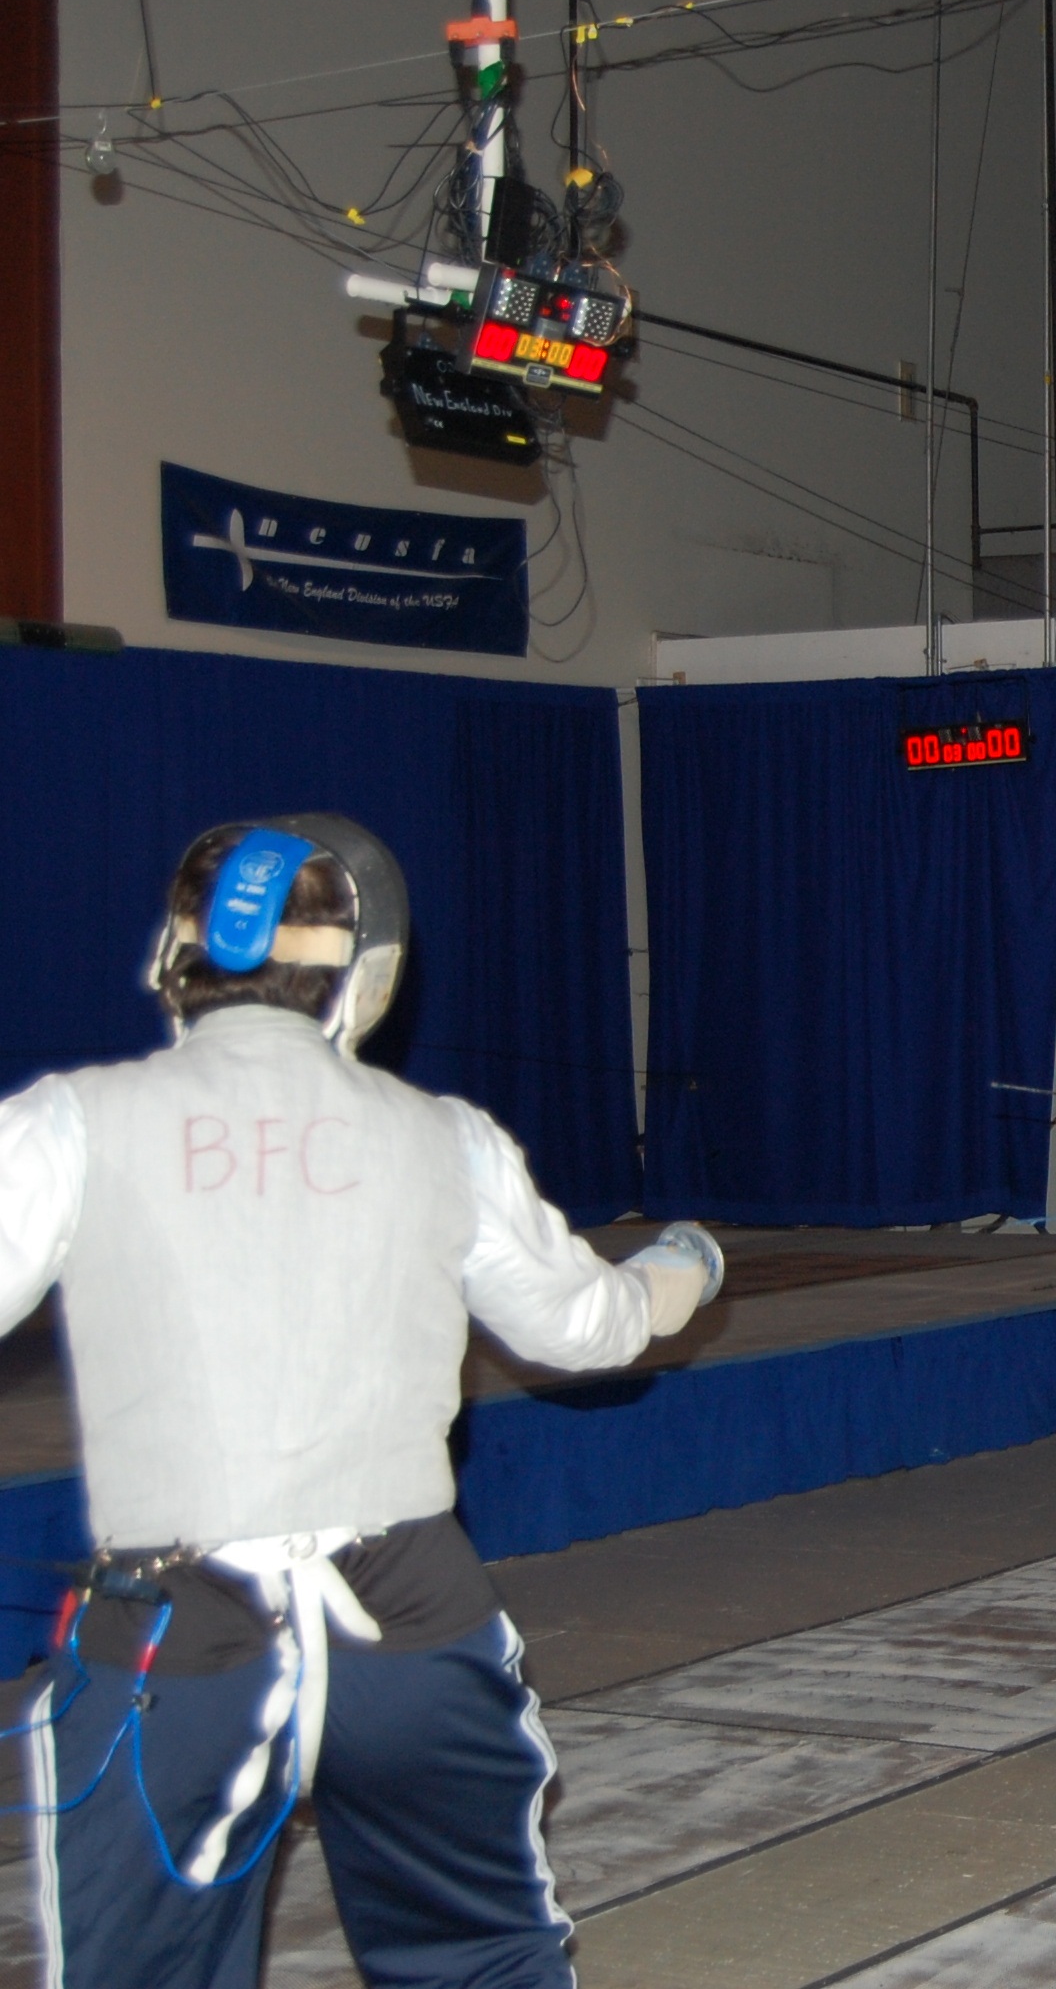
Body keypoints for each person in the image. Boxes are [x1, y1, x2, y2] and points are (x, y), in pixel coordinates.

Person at [0, 815, 723, 1989]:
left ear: (176, 959)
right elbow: (589, 1326)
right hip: (412, 1620)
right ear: (362, 975)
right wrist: (683, 1264)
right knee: (482, 1961)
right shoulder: (443, 1136)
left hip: (175, 1642)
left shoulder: (72, 1120)